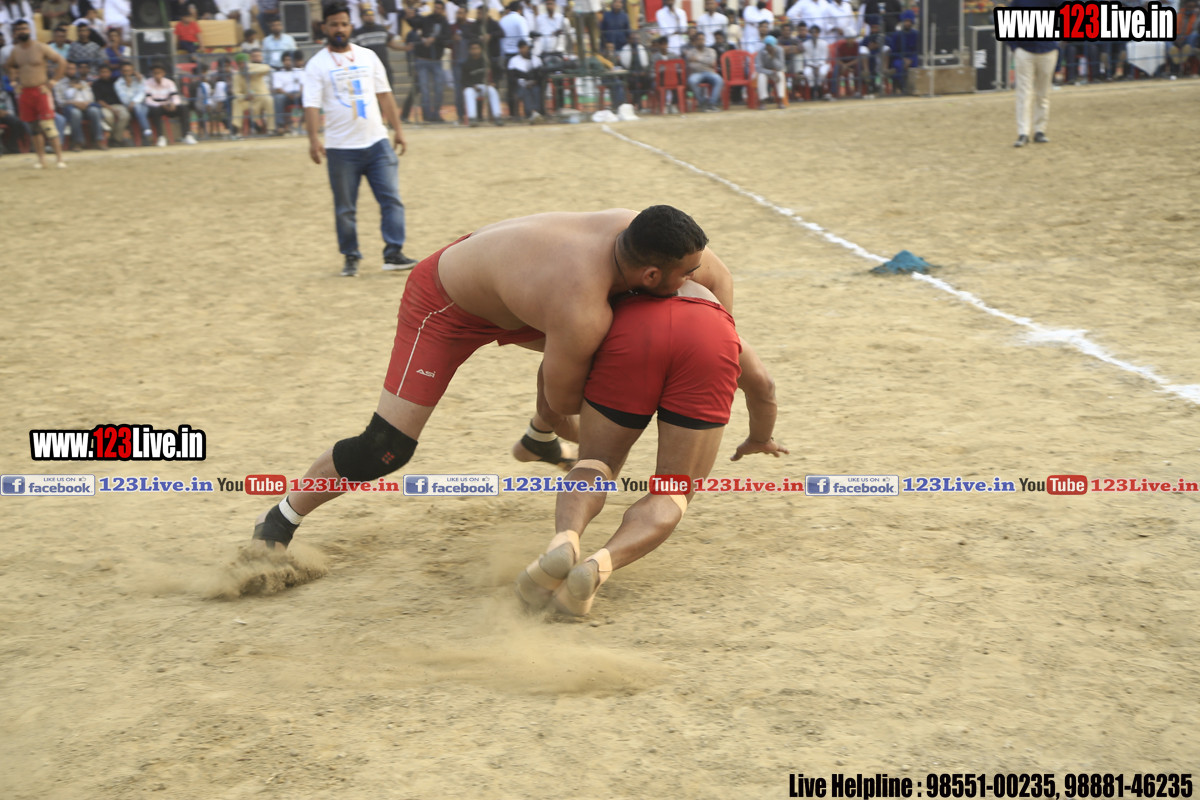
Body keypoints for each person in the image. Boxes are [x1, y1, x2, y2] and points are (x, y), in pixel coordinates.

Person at [247, 205, 736, 555]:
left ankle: (536, 441)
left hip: (524, 286)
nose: (694, 281)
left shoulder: (651, 238)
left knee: (609, 348)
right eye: (685, 275)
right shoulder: (581, 308)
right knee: (385, 448)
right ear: (650, 275)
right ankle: (280, 519)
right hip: (447, 304)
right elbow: (564, 399)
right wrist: (607, 445)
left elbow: (719, 290)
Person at [514, 282, 784, 617]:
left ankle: (565, 541)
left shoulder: (603, 292)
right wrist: (760, 438)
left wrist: (552, 427)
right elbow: (764, 386)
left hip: (630, 329)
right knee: (672, 490)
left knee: (594, 464)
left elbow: (554, 390)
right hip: (708, 338)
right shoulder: (713, 305)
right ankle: (599, 564)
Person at [303, 1, 414, 277]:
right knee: (345, 208)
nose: (339, 29)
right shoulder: (316, 65)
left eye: (343, 24)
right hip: (341, 149)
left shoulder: (368, 56)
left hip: (377, 143)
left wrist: (398, 130)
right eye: (334, 25)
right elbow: (311, 106)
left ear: (351, 26)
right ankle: (351, 256)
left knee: (392, 200)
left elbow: (385, 95)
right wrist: (313, 139)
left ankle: (393, 253)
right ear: (324, 28)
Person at [5, 19, 68, 168]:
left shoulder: (40, 47)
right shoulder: (16, 51)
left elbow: (62, 62)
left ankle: (59, 159)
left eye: (24, 28)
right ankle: (42, 160)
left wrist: (53, 82)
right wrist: (14, 82)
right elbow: (8, 66)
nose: (22, 31)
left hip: (41, 90)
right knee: (34, 128)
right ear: (15, 33)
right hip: (25, 92)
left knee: (48, 126)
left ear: (30, 30)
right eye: (19, 29)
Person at [1004, 0, 1057, 146]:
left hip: (1047, 49)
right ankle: (1023, 132)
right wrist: (1014, 47)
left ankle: (1039, 130)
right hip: (1025, 50)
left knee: (1043, 93)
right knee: (1024, 93)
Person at [144, 62, 198, 145]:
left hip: (169, 106)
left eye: (159, 73)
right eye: (155, 73)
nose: (157, 75)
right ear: (152, 74)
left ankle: (186, 135)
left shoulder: (169, 83)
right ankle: (160, 137)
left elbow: (175, 97)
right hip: (156, 107)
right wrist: (161, 105)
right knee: (155, 111)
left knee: (183, 108)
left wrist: (174, 104)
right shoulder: (147, 83)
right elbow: (148, 100)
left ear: (163, 73)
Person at [413, 0, 448, 122]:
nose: (436, 9)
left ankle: (436, 114)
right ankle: (427, 116)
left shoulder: (444, 22)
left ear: (442, 10)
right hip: (422, 59)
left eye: (439, 8)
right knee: (425, 90)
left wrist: (434, 38)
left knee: (439, 89)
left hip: (437, 60)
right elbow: (414, 25)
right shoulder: (425, 19)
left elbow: (447, 36)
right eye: (435, 7)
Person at [231, 49, 273, 134]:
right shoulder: (237, 76)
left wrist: (251, 72)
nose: (242, 65)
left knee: (269, 99)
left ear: (248, 62)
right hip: (248, 100)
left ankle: (271, 129)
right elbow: (236, 92)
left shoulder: (254, 67)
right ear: (237, 64)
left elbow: (267, 68)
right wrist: (245, 97)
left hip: (261, 98)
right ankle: (236, 128)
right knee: (235, 102)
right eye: (240, 63)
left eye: (244, 63)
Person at [461, 39, 500, 122]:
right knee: (468, 92)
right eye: (472, 48)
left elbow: (498, 71)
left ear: (481, 49)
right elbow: (463, 80)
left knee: (492, 91)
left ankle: (497, 116)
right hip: (472, 87)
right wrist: (472, 86)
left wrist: (494, 82)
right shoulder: (466, 63)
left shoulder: (487, 60)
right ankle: (472, 118)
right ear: (469, 50)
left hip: (485, 86)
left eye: (476, 48)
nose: (474, 50)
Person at [683, 30, 722, 110]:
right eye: (699, 39)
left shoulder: (711, 51)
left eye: (703, 39)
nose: (701, 41)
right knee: (691, 81)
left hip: (709, 72)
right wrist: (705, 61)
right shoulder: (690, 52)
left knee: (719, 80)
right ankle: (703, 103)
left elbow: (712, 63)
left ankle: (712, 103)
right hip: (697, 73)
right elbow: (692, 66)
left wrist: (697, 59)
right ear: (695, 41)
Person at [91, 62, 129, 144]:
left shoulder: (116, 81)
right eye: (102, 72)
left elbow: (127, 75)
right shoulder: (96, 84)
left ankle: (116, 139)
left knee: (125, 116)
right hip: (105, 107)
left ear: (110, 73)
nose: (104, 74)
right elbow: (99, 100)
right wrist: (112, 109)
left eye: (106, 72)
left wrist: (136, 74)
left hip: (118, 105)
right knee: (108, 118)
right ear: (99, 73)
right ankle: (116, 138)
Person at [115, 60, 152, 143]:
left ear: (133, 71)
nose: (127, 73)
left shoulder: (140, 78)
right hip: (129, 107)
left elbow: (143, 93)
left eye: (129, 70)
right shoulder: (118, 83)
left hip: (143, 105)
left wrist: (134, 102)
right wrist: (128, 86)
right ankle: (146, 131)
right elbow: (124, 100)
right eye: (125, 71)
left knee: (138, 107)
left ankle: (146, 132)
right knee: (138, 108)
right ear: (121, 72)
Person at [506, 37, 541, 119]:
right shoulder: (513, 61)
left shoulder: (536, 60)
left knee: (536, 90)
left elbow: (540, 76)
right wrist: (522, 82)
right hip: (519, 86)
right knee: (525, 91)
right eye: (520, 48)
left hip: (533, 84)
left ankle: (536, 112)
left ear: (528, 48)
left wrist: (533, 82)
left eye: (523, 47)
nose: (521, 50)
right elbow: (511, 78)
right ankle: (530, 113)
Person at [886, 9, 918, 93]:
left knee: (917, 64)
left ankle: (914, 87)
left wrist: (911, 59)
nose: (908, 23)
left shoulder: (916, 34)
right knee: (897, 64)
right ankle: (900, 86)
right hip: (899, 58)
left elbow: (918, 50)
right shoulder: (896, 35)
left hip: (913, 58)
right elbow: (893, 51)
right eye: (906, 21)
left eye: (909, 21)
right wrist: (903, 59)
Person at [271, 51, 302, 133]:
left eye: (290, 60)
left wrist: (299, 93)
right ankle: (280, 125)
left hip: (299, 94)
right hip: (286, 95)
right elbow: (278, 89)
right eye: (285, 60)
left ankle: (315, 123)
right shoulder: (278, 73)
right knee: (278, 98)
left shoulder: (300, 71)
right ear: (282, 62)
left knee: (310, 96)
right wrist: (288, 94)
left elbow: (304, 85)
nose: (288, 62)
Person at [756, 33, 787, 105]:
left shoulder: (780, 50)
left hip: (776, 71)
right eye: (767, 45)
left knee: (781, 75)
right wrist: (771, 72)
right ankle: (762, 101)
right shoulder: (761, 51)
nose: (768, 47)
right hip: (765, 72)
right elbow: (759, 68)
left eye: (770, 45)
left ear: (773, 45)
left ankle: (780, 99)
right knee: (761, 76)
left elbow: (780, 67)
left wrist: (772, 57)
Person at [801, 23, 830, 98]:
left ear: (818, 33)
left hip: (822, 64)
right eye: (813, 32)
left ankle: (819, 88)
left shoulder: (824, 43)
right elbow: (806, 57)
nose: (814, 34)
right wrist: (813, 67)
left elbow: (824, 57)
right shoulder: (805, 44)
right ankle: (812, 89)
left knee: (822, 72)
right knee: (807, 72)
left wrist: (818, 66)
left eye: (816, 32)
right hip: (810, 65)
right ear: (810, 33)